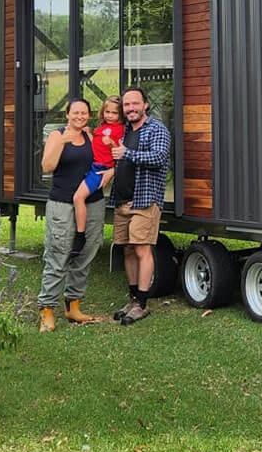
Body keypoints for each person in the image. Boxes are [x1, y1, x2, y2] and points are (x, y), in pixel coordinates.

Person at [37, 98, 106, 331]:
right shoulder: (58, 135)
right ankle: (47, 309)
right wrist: (63, 142)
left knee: (86, 251)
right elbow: (47, 167)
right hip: (62, 204)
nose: (79, 116)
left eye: (84, 112)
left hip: (92, 203)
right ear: (67, 114)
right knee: (59, 253)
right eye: (75, 112)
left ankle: (73, 306)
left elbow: (103, 163)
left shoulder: (90, 136)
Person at [110, 86, 172, 325]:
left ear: (145, 105)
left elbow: (158, 157)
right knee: (126, 249)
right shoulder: (124, 130)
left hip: (145, 201)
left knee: (141, 249)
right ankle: (133, 298)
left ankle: (142, 305)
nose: (131, 108)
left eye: (135, 103)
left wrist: (128, 153)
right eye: (126, 105)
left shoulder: (156, 129)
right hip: (122, 201)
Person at [69, 96, 124, 261]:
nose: (110, 115)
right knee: (77, 194)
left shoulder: (121, 130)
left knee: (78, 197)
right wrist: (89, 133)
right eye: (107, 112)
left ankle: (80, 235)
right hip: (92, 165)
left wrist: (112, 144)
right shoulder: (101, 128)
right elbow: (96, 146)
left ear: (120, 115)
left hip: (101, 169)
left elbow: (121, 153)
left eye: (114, 113)